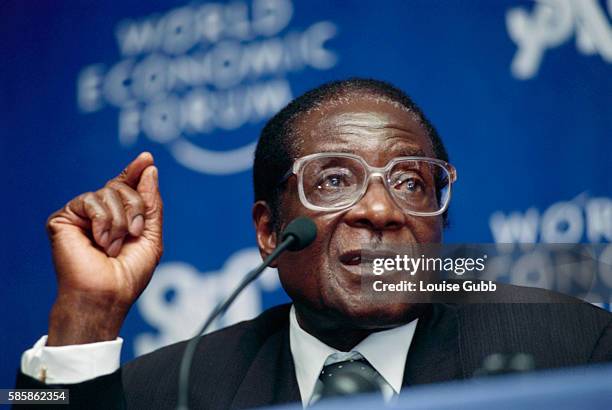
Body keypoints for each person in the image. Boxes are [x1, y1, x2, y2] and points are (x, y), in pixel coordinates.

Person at [16, 78, 612, 409]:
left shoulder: (571, 345)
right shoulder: (171, 391)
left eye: (409, 181)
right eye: (332, 180)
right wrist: (87, 317)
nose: (380, 209)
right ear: (269, 230)